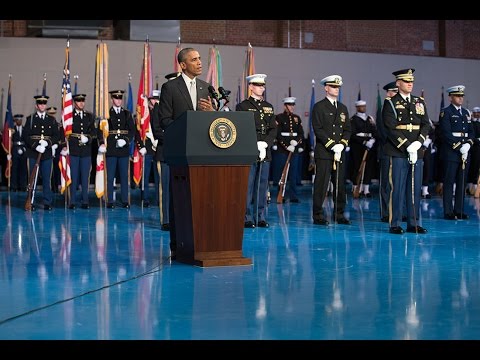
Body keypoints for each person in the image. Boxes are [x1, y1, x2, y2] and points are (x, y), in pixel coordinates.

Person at [158, 48, 215, 258]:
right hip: (182, 154)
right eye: (194, 60)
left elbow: (212, 123)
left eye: (200, 59)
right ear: (183, 65)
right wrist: (188, 127)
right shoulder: (170, 88)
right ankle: (178, 243)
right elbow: (164, 120)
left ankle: (202, 241)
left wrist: (211, 113)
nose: (200, 62)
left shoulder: (206, 87)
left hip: (203, 154)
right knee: (180, 200)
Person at [382, 68, 431, 234]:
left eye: (411, 81)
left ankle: (413, 222)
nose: (410, 84)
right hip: (398, 151)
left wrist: (418, 143)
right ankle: (394, 223)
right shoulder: (390, 103)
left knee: (414, 188)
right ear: (398, 83)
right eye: (406, 81)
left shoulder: (419, 101)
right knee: (397, 188)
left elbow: (426, 124)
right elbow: (390, 127)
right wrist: (406, 145)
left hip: (416, 150)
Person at [236, 73, 277, 228]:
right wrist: (255, 144)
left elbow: (273, 129)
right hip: (249, 150)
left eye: (262, 85)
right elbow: (242, 129)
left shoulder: (269, 107)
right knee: (248, 185)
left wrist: (265, 144)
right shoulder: (243, 106)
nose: (261, 88)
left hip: (265, 151)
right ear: (251, 87)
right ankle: (246, 217)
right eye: (258, 85)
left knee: (262, 185)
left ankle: (259, 216)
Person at [311, 74, 351, 225]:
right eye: (333, 86)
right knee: (321, 185)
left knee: (340, 185)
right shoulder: (319, 107)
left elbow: (347, 129)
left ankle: (339, 214)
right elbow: (318, 129)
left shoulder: (343, 108)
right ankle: (318, 215)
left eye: (338, 87)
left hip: (339, 152)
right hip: (324, 152)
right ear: (326, 88)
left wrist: (342, 144)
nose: (336, 89)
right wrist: (332, 145)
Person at [439, 85, 474, 220]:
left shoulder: (466, 112)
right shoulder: (446, 112)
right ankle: (448, 211)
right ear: (450, 97)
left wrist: (468, 144)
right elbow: (446, 133)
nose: (460, 98)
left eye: (461, 96)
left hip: (465, 152)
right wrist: (459, 146)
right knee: (449, 182)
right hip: (452, 152)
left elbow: (471, 131)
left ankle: (459, 210)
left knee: (462, 181)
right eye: (457, 96)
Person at [97, 90, 135, 209]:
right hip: (111, 149)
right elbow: (100, 131)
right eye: (116, 98)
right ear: (112, 99)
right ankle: (110, 200)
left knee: (124, 176)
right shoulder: (106, 114)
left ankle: (125, 200)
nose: (118, 100)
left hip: (123, 149)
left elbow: (132, 130)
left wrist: (126, 140)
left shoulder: (127, 114)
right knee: (110, 176)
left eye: (120, 98)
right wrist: (102, 143)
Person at [23, 95, 60, 211]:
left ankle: (47, 202)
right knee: (32, 178)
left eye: (44, 104)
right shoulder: (30, 119)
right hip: (33, 153)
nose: (42, 105)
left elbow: (56, 135)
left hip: (47, 153)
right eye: (40, 104)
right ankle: (31, 200)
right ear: (36, 105)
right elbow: (25, 135)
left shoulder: (51, 120)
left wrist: (47, 143)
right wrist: (36, 146)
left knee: (46, 178)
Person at [65, 93, 96, 209]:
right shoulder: (70, 116)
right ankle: (72, 200)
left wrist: (88, 138)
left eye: (83, 101)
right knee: (73, 176)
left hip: (86, 151)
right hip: (73, 149)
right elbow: (64, 131)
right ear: (74, 102)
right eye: (78, 101)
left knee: (85, 176)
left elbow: (93, 131)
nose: (81, 103)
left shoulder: (89, 116)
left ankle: (85, 200)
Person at [272, 96, 305, 203]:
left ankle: (293, 196)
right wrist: (287, 146)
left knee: (293, 173)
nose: (292, 107)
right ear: (285, 106)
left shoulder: (297, 118)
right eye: (290, 105)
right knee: (281, 173)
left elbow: (301, 133)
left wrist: (296, 142)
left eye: (293, 105)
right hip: (282, 150)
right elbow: (277, 134)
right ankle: (281, 194)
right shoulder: (279, 117)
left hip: (294, 148)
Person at [377, 82, 398, 222]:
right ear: (388, 93)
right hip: (387, 149)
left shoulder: (400, 108)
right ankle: (385, 212)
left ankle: (398, 211)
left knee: (398, 182)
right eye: (394, 92)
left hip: (400, 150)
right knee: (385, 183)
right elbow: (382, 131)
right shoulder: (384, 108)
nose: (397, 94)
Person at [349, 99, 377, 198]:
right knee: (357, 166)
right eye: (361, 106)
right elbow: (352, 135)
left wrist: (372, 140)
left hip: (370, 145)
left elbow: (374, 131)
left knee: (368, 167)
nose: (363, 108)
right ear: (357, 108)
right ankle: (356, 187)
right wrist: (364, 141)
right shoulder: (353, 119)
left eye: (364, 106)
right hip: (358, 146)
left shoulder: (369, 119)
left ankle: (366, 189)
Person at [9, 114, 28, 192]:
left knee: (23, 168)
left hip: (23, 150)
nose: (19, 121)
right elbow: (10, 141)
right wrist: (9, 152)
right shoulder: (12, 130)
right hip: (15, 150)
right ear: (15, 121)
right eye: (18, 120)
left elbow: (27, 140)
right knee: (14, 168)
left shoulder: (25, 129)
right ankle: (14, 186)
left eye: (20, 120)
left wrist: (24, 148)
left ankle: (23, 186)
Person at [467, 106, 480, 195]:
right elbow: (470, 134)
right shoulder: (470, 123)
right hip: (473, 147)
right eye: (475, 113)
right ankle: (471, 186)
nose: (476, 114)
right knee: (472, 166)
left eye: (478, 113)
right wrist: (477, 140)